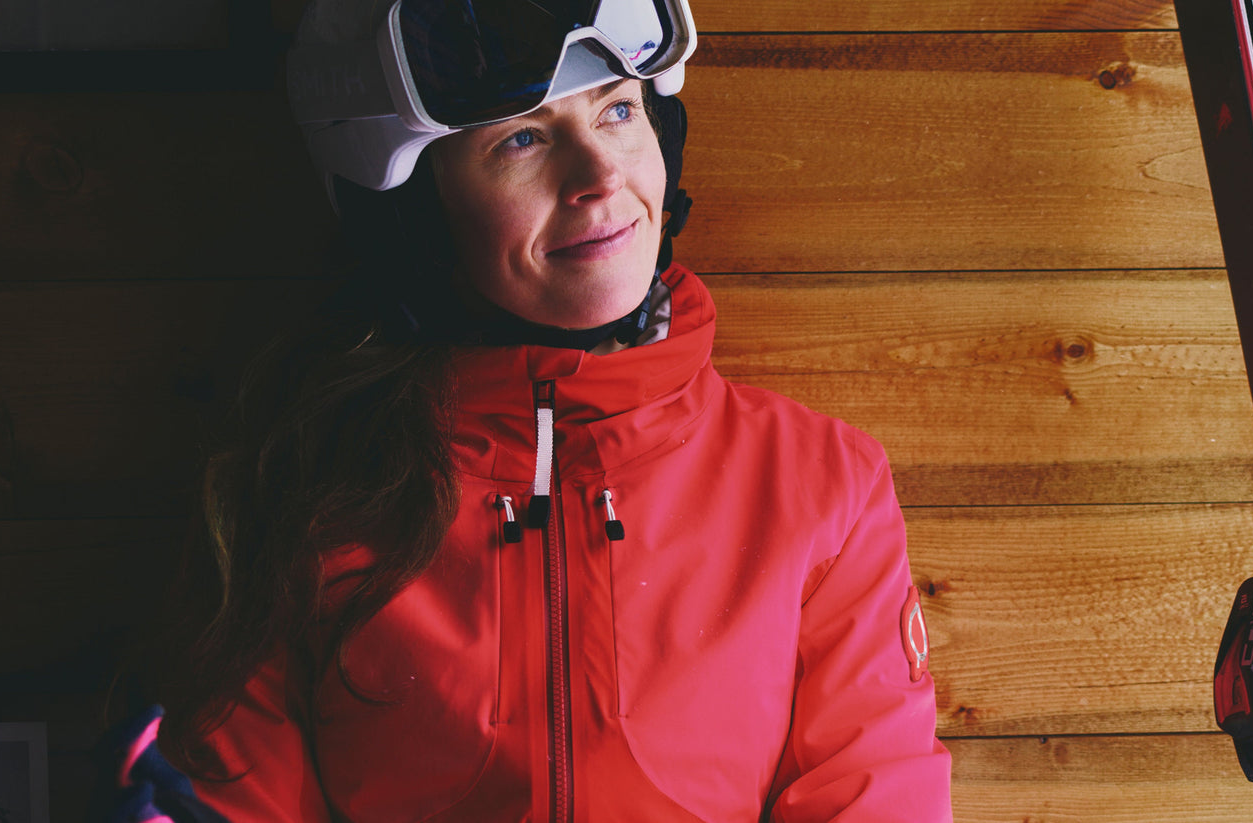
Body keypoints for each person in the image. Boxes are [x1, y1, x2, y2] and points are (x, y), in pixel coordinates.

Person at [115, 0, 952, 819]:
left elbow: (875, 793)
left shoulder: (818, 485)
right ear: (413, 217)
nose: (599, 176)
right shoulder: (292, 498)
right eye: (522, 138)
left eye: (619, 109)